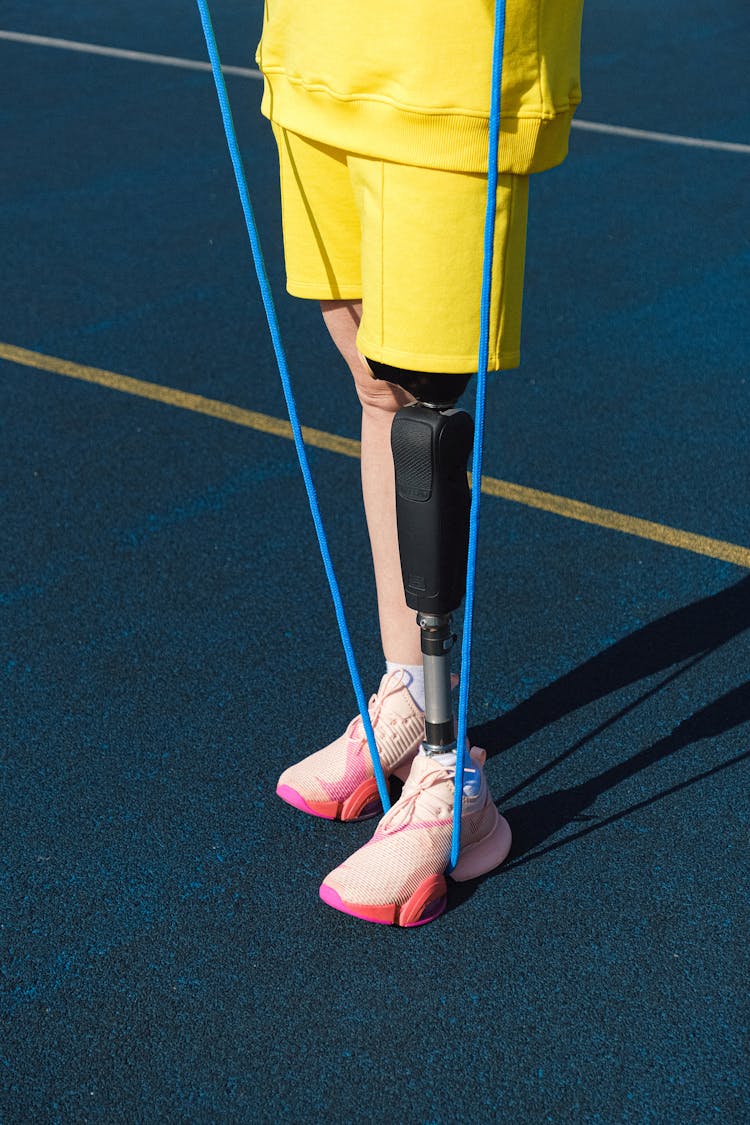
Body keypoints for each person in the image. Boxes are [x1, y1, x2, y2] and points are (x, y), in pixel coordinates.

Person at [256, 0, 584, 925]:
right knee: (372, 385)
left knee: (421, 403)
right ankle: (408, 691)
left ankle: (452, 783)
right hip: (317, 52)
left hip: (443, 68)